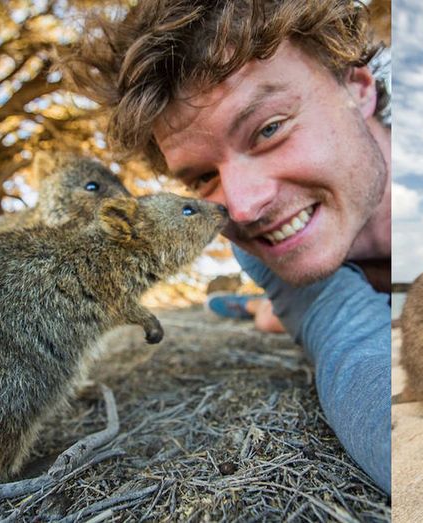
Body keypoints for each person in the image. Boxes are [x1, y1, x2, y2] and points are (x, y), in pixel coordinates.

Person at [65, 0, 391, 494]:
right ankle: (261, 306)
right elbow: (351, 348)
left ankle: (264, 309)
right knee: (297, 313)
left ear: (358, 87)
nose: (240, 209)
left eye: (268, 128)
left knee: (283, 314)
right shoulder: (256, 245)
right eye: (202, 177)